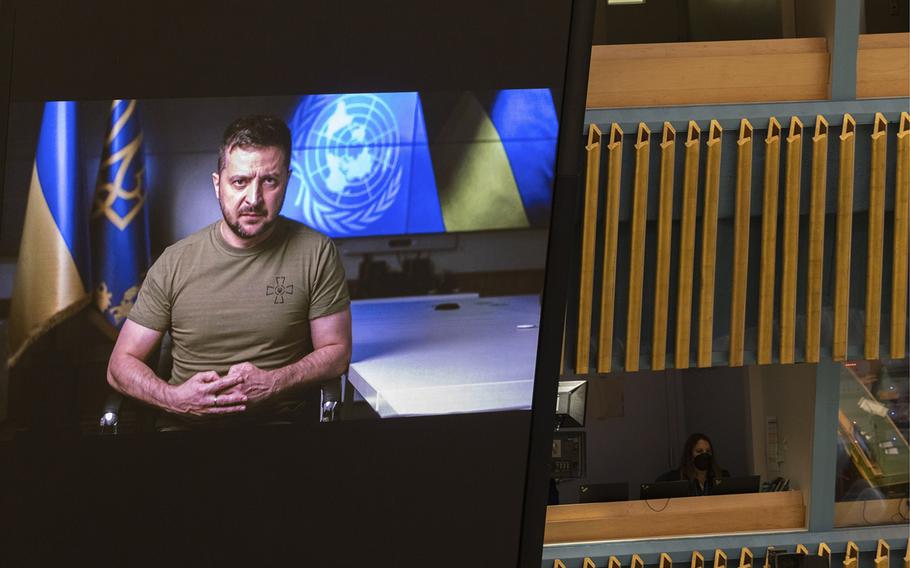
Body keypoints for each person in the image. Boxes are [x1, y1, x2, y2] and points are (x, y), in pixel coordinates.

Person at [106, 115, 352, 429]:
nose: (254, 199)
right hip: (185, 430)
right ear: (217, 184)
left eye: (270, 181)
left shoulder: (316, 253)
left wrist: (274, 382)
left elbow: (336, 352)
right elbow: (119, 365)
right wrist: (174, 399)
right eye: (240, 181)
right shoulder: (175, 262)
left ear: (287, 182)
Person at [656, 433, 729, 496]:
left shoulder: (722, 476)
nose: (704, 454)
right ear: (690, 455)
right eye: (699, 451)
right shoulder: (676, 478)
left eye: (708, 451)